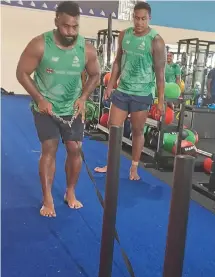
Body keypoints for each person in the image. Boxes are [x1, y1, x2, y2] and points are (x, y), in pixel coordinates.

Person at [16, 1, 100, 217]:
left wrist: (83, 97)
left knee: (74, 149)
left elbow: (95, 74)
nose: (70, 32)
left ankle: (70, 192)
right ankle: (47, 199)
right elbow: (22, 72)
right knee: (50, 148)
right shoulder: (39, 44)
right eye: (66, 26)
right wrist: (39, 99)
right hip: (46, 109)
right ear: (56, 22)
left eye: (75, 27)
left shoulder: (85, 49)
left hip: (72, 108)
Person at [94, 1, 166, 180]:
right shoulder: (125, 35)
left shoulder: (156, 41)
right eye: (136, 18)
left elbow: (160, 72)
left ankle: (134, 168)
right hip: (123, 89)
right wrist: (111, 84)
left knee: (137, 131)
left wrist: (161, 100)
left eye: (143, 19)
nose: (139, 22)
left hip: (142, 93)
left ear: (149, 18)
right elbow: (117, 60)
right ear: (132, 17)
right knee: (113, 127)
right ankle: (111, 164)